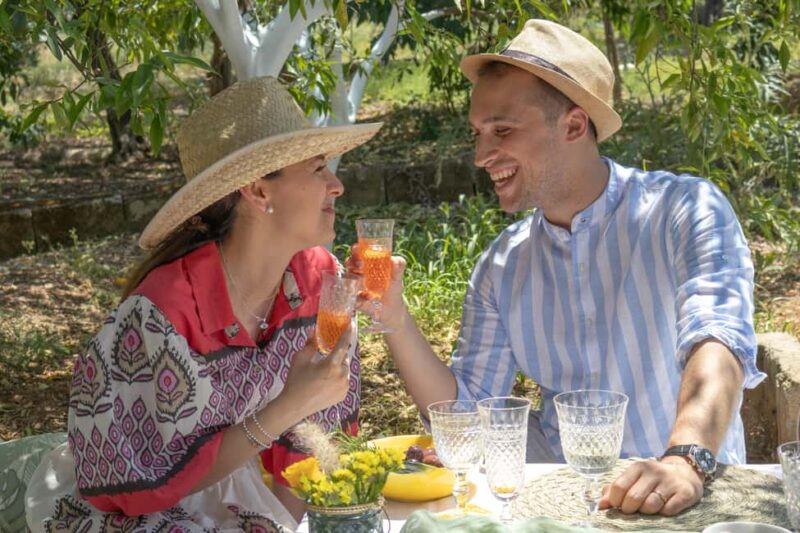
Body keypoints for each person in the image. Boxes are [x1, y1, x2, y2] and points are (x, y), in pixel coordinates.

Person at [350, 19, 765, 517]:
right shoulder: (501, 265)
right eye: (478, 133)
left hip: (692, 500)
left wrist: (684, 459)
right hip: (564, 508)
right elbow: (466, 414)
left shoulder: (685, 209)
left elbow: (719, 339)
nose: (482, 155)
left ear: (573, 125)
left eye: (502, 130)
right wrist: (395, 320)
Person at [25, 76, 381, 532]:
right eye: (317, 169)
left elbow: (306, 451)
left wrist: (285, 525)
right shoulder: (158, 315)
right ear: (258, 191)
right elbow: (140, 489)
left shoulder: (317, 278)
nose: (337, 186)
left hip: (246, 501)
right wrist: (288, 406)